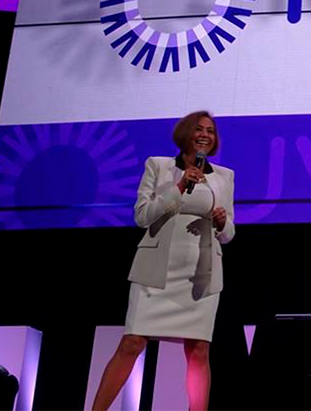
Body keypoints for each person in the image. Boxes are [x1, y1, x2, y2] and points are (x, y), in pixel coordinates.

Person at [92, 111, 235, 411]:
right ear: (185, 133)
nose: (205, 135)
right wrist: (179, 187)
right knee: (131, 343)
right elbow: (142, 216)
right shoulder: (158, 166)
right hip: (156, 270)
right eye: (199, 129)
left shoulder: (224, 176)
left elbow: (228, 234)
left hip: (200, 273)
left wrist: (222, 222)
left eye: (210, 131)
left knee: (198, 350)